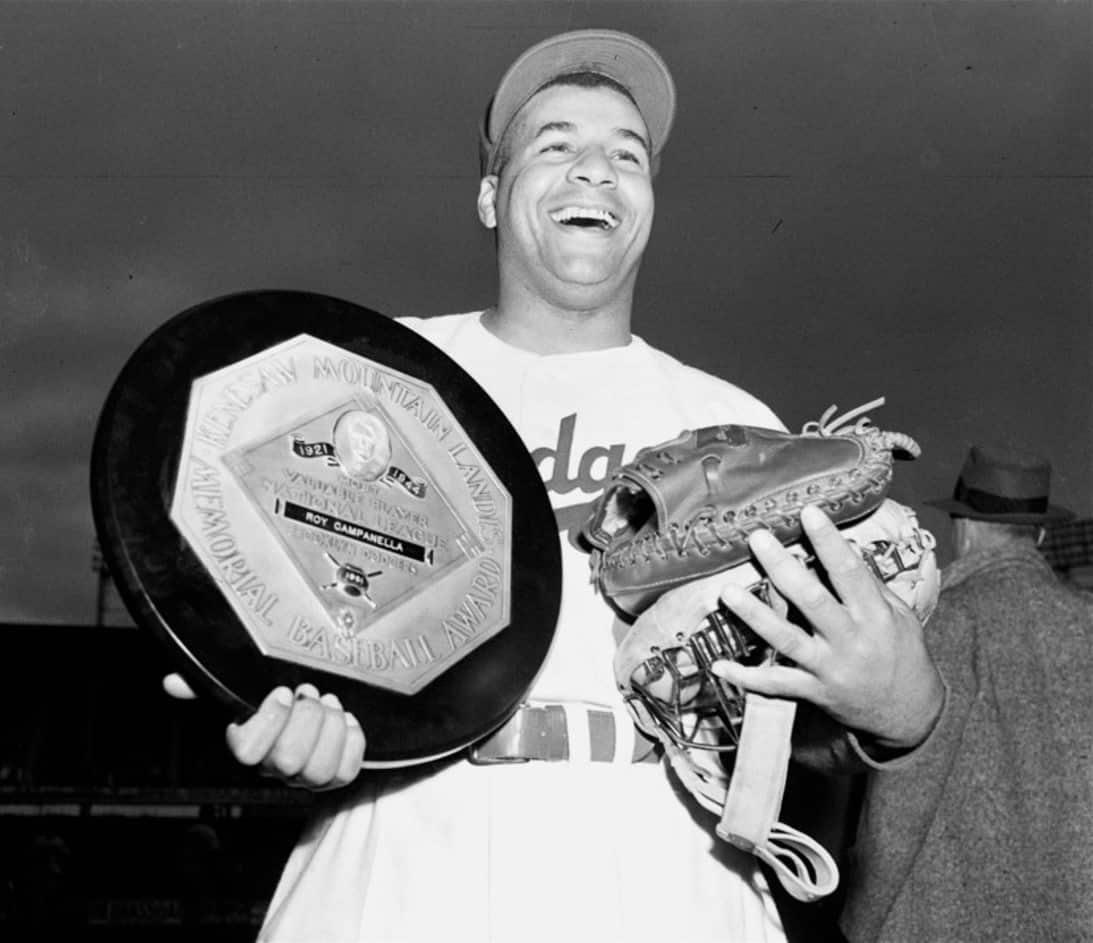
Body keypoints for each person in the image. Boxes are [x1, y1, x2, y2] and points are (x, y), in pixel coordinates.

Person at [166, 29, 945, 942]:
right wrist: (281, 707)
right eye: (555, 145)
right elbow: (271, 598)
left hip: (669, 861)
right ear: (493, 197)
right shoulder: (374, 381)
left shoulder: (732, 423)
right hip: (404, 842)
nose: (595, 170)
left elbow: (787, 717)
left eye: (627, 155)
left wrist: (898, 710)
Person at [839, 445, 1093, 943]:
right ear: (1038, 533)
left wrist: (860, 919)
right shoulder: (1087, 621)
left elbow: (900, 808)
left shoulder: (939, 624)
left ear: (965, 528)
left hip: (951, 922)